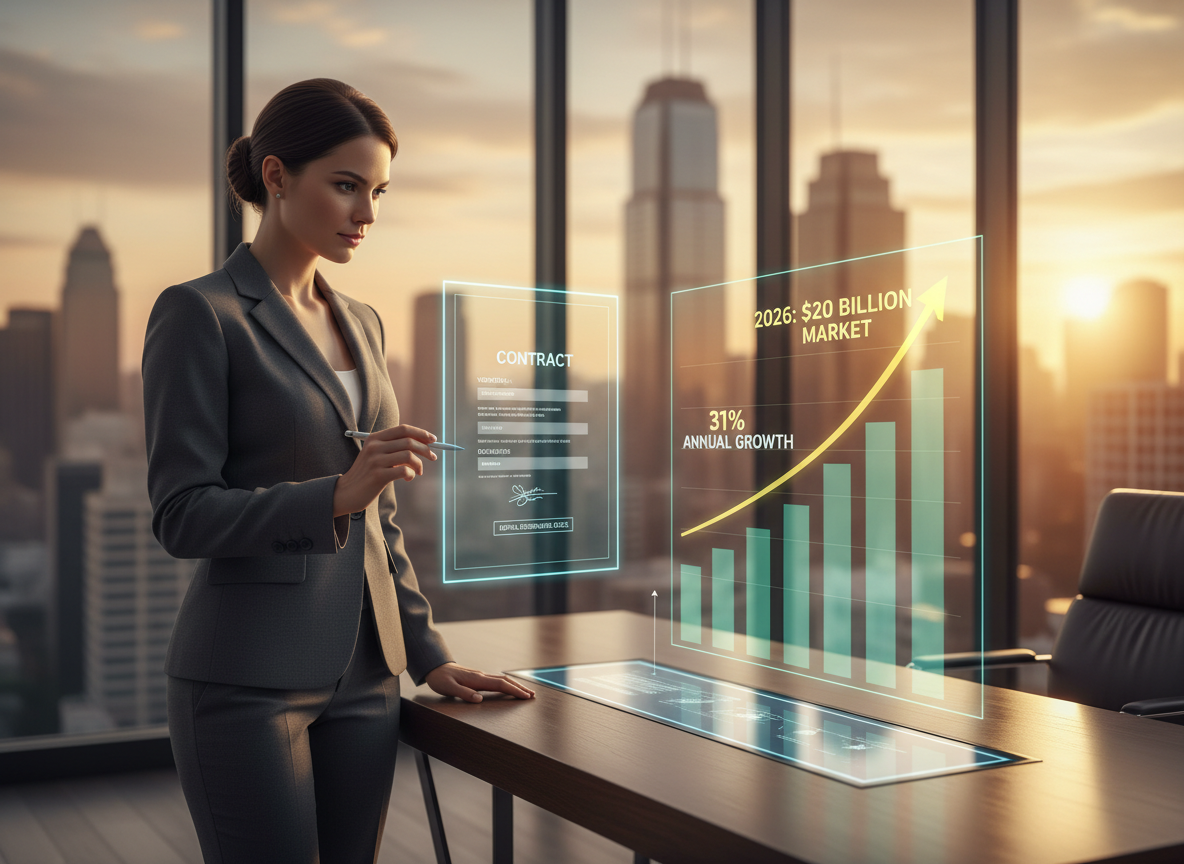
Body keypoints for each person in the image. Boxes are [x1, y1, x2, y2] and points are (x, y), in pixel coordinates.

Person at [143, 78, 534, 864]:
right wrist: (335, 492)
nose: (368, 213)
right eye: (347, 185)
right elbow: (181, 514)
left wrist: (429, 656)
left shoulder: (363, 321)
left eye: (379, 190)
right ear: (278, 177)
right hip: (246, 680)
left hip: (367, 677)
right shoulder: (200, 314)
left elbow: (380, 519)